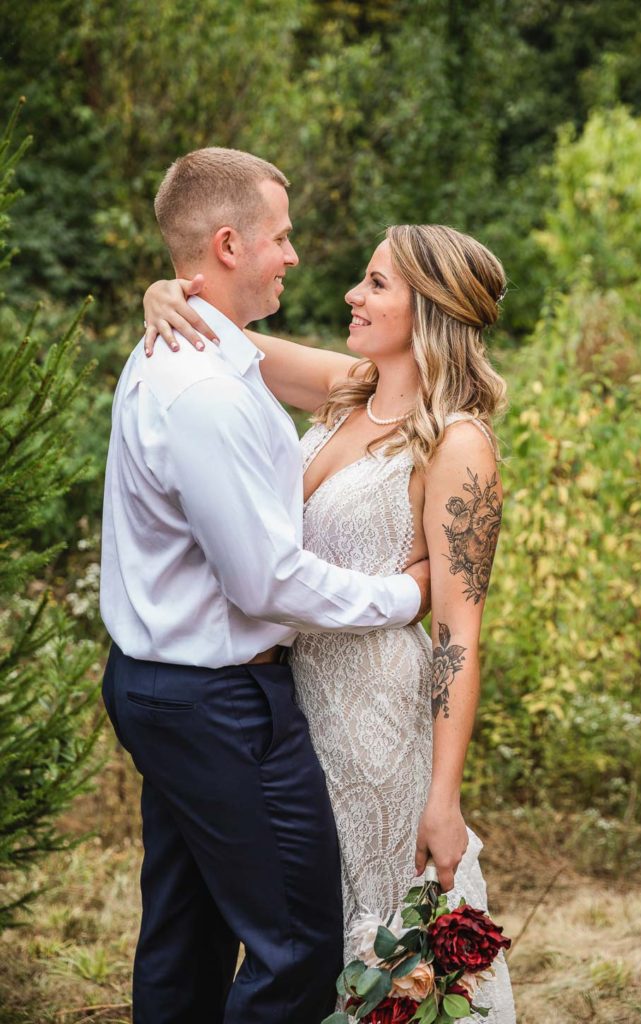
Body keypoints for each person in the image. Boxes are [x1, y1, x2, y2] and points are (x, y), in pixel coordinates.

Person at [143, 222, 517, 1020]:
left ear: (430, 308)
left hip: (377, 717)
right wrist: (163, 293)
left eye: (376, 284)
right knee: (300, 921)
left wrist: (444, 797)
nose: (353, 294)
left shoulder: (457, 442)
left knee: (379, 934)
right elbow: (221, 336)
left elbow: (457, 632)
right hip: (297, 702)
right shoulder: (348, 389)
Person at [100, 146, 432, 1024]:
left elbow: (344, 379)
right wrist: (404, 596)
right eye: (279, 236)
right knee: (297, 948)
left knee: (186, 934)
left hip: (177, 687)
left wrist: (168, 290)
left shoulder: (207, 350)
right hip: (219, 703)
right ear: (226, 244)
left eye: (376, 284)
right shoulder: (201, 386)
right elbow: (265, 581)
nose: (295, 255)